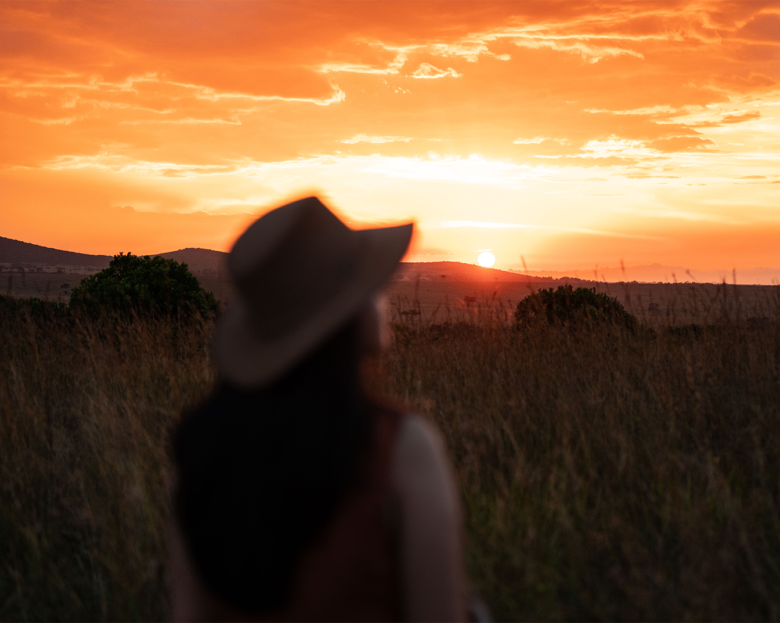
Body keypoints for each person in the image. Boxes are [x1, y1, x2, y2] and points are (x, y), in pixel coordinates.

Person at [169, 196, 467, 621]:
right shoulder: (399, 448)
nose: (381, 294)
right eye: (367, 284)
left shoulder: (203, 451)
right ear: (342, 314)